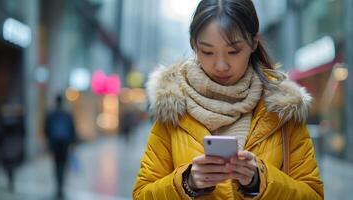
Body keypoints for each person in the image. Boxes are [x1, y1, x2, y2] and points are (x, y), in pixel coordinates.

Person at [133, 0, 323, 199]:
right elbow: (142, 194)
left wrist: (260, 180)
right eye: (207, 52)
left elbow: (313, 195)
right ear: (193, 45)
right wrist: (187, 182)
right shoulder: (173, 107)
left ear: (254, 42)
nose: (221, 65)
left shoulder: (282, 110)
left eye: (233, 51)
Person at [45, 94, 76, 199]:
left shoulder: (51, 114)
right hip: (65, 144)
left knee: (56, 165)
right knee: (63, 165)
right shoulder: (67, 114)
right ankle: (61, 187)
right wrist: (72, 143)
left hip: (55, 144)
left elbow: (46, 129)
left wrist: (48, 142)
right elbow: (72, 129)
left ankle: (58, 187)